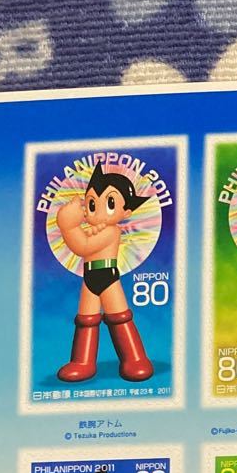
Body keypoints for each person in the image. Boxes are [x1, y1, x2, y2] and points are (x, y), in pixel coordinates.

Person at [55, 163, 154, 382]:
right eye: (92, 204)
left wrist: (68, 227)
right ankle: (82, 362)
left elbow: (83, 247)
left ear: (126, 212)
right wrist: (72, 227)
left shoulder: (111, 231)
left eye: (109, 203)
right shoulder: (92, 229)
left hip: (108, 276)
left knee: (119, 317)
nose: (97, 211)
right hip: (89, 276)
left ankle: (135, 358)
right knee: (86, 320)